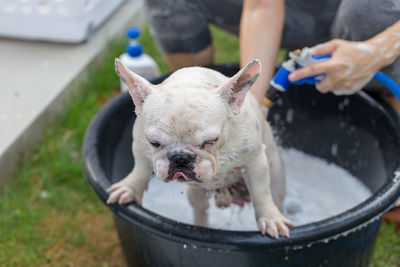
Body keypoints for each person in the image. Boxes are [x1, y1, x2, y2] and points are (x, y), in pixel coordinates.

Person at [143, 0, 400, 111]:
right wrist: (249, 110)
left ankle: (382, 102)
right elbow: (262, 6)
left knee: (368, 13)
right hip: (307, 11)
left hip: (375, 18)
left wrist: (376, 51)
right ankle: (196, 103)